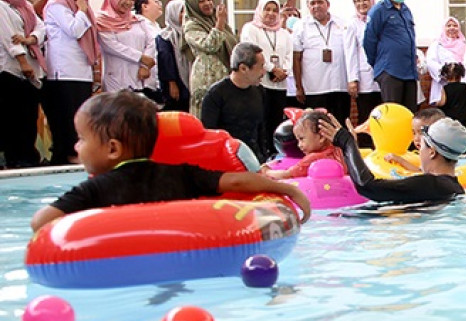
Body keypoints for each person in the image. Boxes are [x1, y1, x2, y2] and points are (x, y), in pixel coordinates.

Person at [31, 91, 310, 233]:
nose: (76, 147)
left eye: (81, 139)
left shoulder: (93, 191)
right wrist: (288, 189)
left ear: (113, 149)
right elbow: (236, 181)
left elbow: (40, 223)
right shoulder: (179, 175)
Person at [319, 113, 466, 205]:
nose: (419, 152)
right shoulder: (454, 188)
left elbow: (368, 186)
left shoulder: (430, 183)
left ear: (432, 152)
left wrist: (347, 143)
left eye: (421, 146)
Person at [43, 0, 102, 164]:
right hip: (64, 68)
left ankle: (78, 151)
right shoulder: (57, 3)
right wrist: (82, 11)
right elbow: (74, 30)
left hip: (81, 67)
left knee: (80, 112)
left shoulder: (80, 3)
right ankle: (68, 152)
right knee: (66, 114)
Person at [0, 0, 46, 167]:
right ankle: (15, 158)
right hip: (11, 68)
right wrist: (22, 61)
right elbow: (8, 36)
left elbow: (40, 26)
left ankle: (28, 156)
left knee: (29, 115)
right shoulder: (1, 5)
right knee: (12, 116)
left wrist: (30, 39)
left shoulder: (24, 5)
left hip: (30, 68)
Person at [201, 42, 269, 162]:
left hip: (254, 158)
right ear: (243, 68)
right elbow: (209, 135)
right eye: (261, 67)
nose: (264, 72)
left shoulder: (259, 91)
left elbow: (261, 130)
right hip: (226, 159)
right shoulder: (216, 94)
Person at [363, 0, 418, 111]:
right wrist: (379, 63)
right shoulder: (378, 11)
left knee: (410, 114)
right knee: (393, 113)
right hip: (390, 71)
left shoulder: (406, 10)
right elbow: (369, 41)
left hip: (409, 71)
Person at [240, 0, 293, 137]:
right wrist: (272, 69)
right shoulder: (251, 29)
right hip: (260, 83)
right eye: (267, 9)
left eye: (275, 10)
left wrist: (284, 71)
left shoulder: (284, 33)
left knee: (276, 123)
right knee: (260, 123)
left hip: (279, 84)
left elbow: (289, 55)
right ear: (260, 10)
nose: (271, 13)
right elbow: (252, 52)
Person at [293, 0, 351, 119]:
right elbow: (296, 58)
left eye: (320, 2)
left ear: (328, 4)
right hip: (314, 89)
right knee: (317, 126)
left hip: (339, 87)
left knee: (340, 124)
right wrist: (299, 87)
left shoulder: (342, 24)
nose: (316, 6)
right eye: (312, 3)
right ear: (308, 6)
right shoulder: (301, 26)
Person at [184, 0, 237, 119]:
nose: (207, 3)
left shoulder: (217, 22)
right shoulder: (192, 25)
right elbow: (210, 45)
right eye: (201, 1)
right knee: (208, 118)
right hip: (206, 79)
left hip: (224, 75)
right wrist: (220, 22)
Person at [96, 0, 157, 97]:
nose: (128, 2)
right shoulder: (103, 21)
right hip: (115, 77)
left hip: (138, 75)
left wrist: (145, 66)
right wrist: (141, 57)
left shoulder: (138, 20)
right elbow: (111, 46)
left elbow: (152, 41)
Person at [262, 109, 344, 180]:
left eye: (301, 139)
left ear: (321, 137)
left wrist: (267, 171)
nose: (299, 145)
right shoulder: (340, 151)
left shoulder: (312, 159)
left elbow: (286, 175)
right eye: (298, 141)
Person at [345, 0, 382, 135]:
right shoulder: (352, 24)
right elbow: (350, 52)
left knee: (382, 115)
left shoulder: (379, 19)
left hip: (382, 75)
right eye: (357, 1)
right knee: (366, 115)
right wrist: (352, 79)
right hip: (365, 78)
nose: (361, 3)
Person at [156, 0, 190, 111]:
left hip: (189, 77)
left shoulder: (189, 33)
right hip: (175, 81)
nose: (184, 15)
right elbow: (165, 60)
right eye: (181, 11)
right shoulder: (165, 36)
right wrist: (172, 83)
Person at [438, 62, 466, 137]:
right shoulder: (465, 87)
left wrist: (437, 104)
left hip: (450, 119)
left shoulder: (445, 88)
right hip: (464, 118)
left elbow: (442, 102)